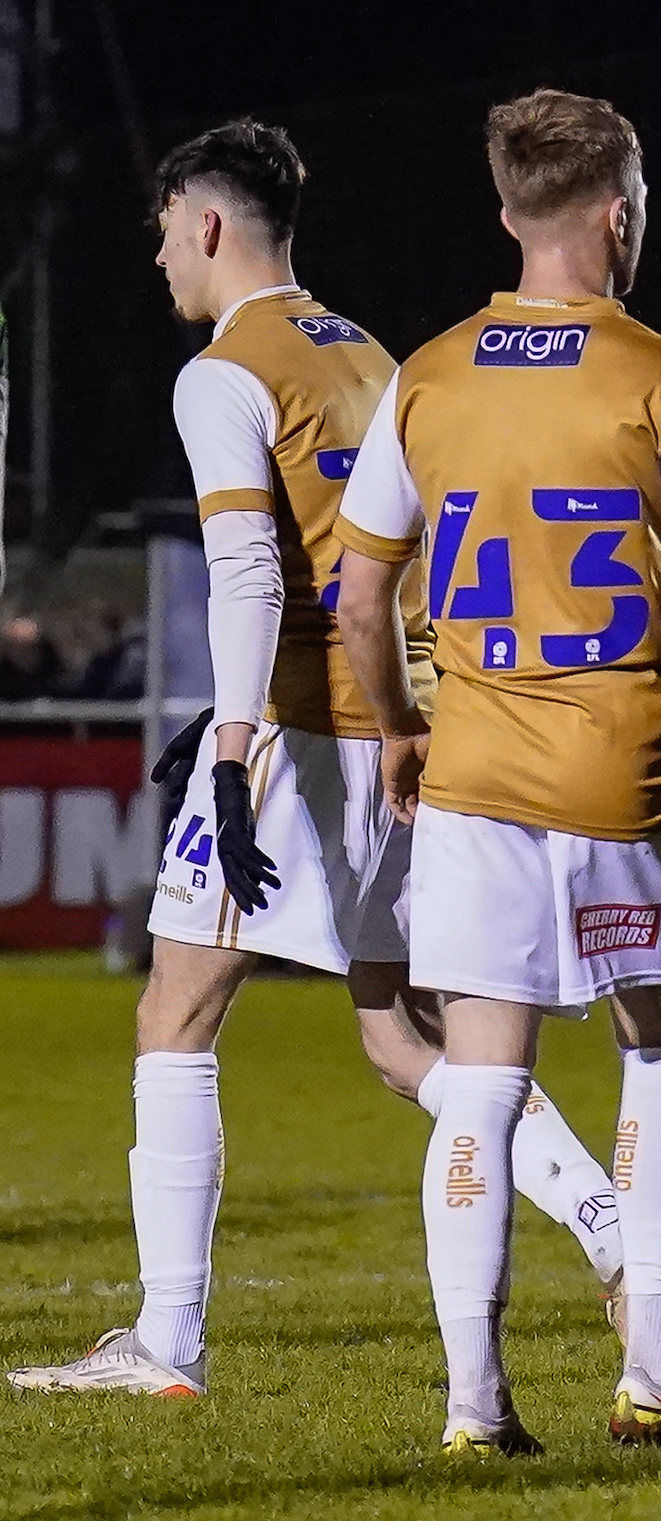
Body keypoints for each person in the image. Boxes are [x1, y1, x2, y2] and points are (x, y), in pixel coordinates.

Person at [7, 120, 623, 1404]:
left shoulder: (225, 372)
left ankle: (167, 1342)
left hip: (304, 734)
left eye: (168, 228)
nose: (162, 253)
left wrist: (231, 740)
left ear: (210, 223)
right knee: (402, 1036)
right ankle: (609, 1221)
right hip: (415, 720)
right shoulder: (367, 355)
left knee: (176, 1006)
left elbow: (242, 570)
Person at [329, 90, 661, 1456]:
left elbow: (361, 596)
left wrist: (395, 729)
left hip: (477, 777)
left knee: (478, 1081)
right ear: (620, 213)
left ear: (508, 213)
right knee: (656, 1057)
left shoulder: (429, 373)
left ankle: (475, 1406)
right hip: (626, 782)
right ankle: (653, 1373)